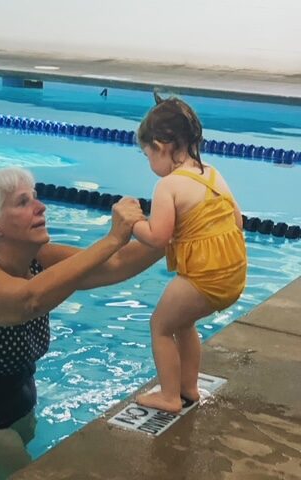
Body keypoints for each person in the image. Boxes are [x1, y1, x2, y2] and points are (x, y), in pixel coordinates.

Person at [0, 166, 163, 480]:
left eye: (35, 198)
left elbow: (115, 265)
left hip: (17, 409)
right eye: (23, 202)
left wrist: (173, 234)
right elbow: (28, 301)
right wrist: (114, 238)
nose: (41, 207)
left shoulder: (40, 259)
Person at [132, 93, 247, 413]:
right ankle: (189, 387)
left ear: (161, 146)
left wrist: (132, 223)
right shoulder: (211, 171)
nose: (149, 162)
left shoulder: (168, 186)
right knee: (183, 323)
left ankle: (169, 396)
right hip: (233, 274)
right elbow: (237, 219)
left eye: (147, 155)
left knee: (160, 326)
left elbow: (157, 238)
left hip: (205, 278)